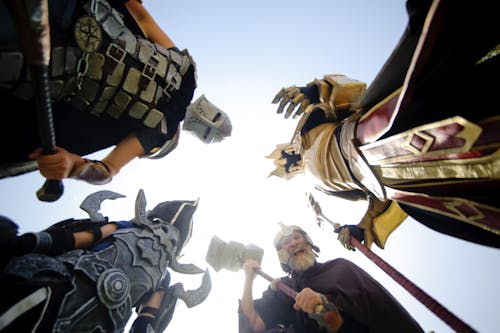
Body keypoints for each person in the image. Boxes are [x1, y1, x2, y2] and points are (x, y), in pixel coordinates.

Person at [268, 0, 500, 250]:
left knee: (432, 41)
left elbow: (350, 96)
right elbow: (373, 194)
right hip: (395, 181)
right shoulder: (322, 186)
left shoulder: (310, 125)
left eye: (281, 157)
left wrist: (314, 91)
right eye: (283, 167)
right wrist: (362, 226)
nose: (286, 163)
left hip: (371, 128)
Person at [0, 0, 232, 185]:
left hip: (46, 70)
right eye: (215, 118)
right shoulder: (186, 73)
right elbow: (141, 18)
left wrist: (75, 168)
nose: (206, 119)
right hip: (76, 12)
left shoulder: (161, 129)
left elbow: (108, 169)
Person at [0, 189, 211, 332]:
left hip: (103, 323)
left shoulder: (163, 276)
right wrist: (29, 243)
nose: (164, 238)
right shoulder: (125, 228)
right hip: (62, 283)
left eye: (173, 239)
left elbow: (148, 313)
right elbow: (81, 238)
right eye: (162, 227)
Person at [239, 223, 424, 333]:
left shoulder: (340, 268)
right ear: (282, 255)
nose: (293, 243)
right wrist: (249, 278)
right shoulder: (283, 289)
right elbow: (253, 323)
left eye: (296, 238)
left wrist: (331, 312)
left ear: (308, 242)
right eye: (287, 243)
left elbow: (378, 308)